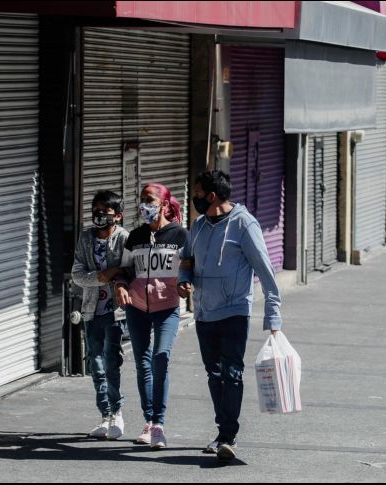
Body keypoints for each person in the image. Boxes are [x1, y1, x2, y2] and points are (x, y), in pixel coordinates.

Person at [177, 170, 282, 462]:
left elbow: (265, 270)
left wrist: (273, 316)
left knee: (232, 373)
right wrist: (183, 280)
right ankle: (222, 430)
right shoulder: (198, 225)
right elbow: (186, 259)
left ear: (211, 196)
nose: (194, 198)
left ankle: (227, 435)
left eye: (198, 193)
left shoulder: (244, 224)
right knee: (214, 374)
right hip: (204, 311)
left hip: (235, 310)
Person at [114, 183, 188, 449]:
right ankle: (149, 421)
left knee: (161, 357)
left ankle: (159, 424)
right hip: (136, 307)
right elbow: (124, 270)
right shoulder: (135, 236)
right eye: (141, 200)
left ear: (164, 205)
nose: (143, 205)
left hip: (167, 307)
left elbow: (188, 267)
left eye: (149, 200)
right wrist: (120, 286)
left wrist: (185, 283)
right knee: (142, 363)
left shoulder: (180, 235)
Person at [71, 190, 129, 440]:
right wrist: (103, 276)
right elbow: (77, 274)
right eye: (96, 210)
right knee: (95, 364)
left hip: (115, 311)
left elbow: (130, 271)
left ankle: (117, 412)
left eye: (105, 211)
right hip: (91, 309)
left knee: (111, 362)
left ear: (117, 215)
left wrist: (117, 275)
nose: (99, 215)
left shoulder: (125, 238)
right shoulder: (86, 238)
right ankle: (105, 414)